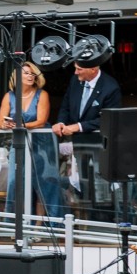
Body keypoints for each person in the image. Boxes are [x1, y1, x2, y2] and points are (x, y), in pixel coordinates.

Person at [52, 59, 121, 214]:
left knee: (100, 185)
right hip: (79, 145)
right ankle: (82, 220)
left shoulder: (111, 87)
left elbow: (108, 118)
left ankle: (102, 220)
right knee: (81, 184)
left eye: (79, 69)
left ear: (93, 69)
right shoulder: (75, 81)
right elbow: (65, 105)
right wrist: (61, 122)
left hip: (100, 145)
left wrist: (79, 127)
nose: (75, 72)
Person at [0, 61, 61, 217]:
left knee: (45, 183)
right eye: (26, 73)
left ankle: (49, 225)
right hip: (19, 143)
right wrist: (6, 125)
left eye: (32, 73)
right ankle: (15, 223)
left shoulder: (42, 94)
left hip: (43, 144)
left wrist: (19, 125)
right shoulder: (9, 96)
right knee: (14, 182)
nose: (30, 76)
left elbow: (41, 121)